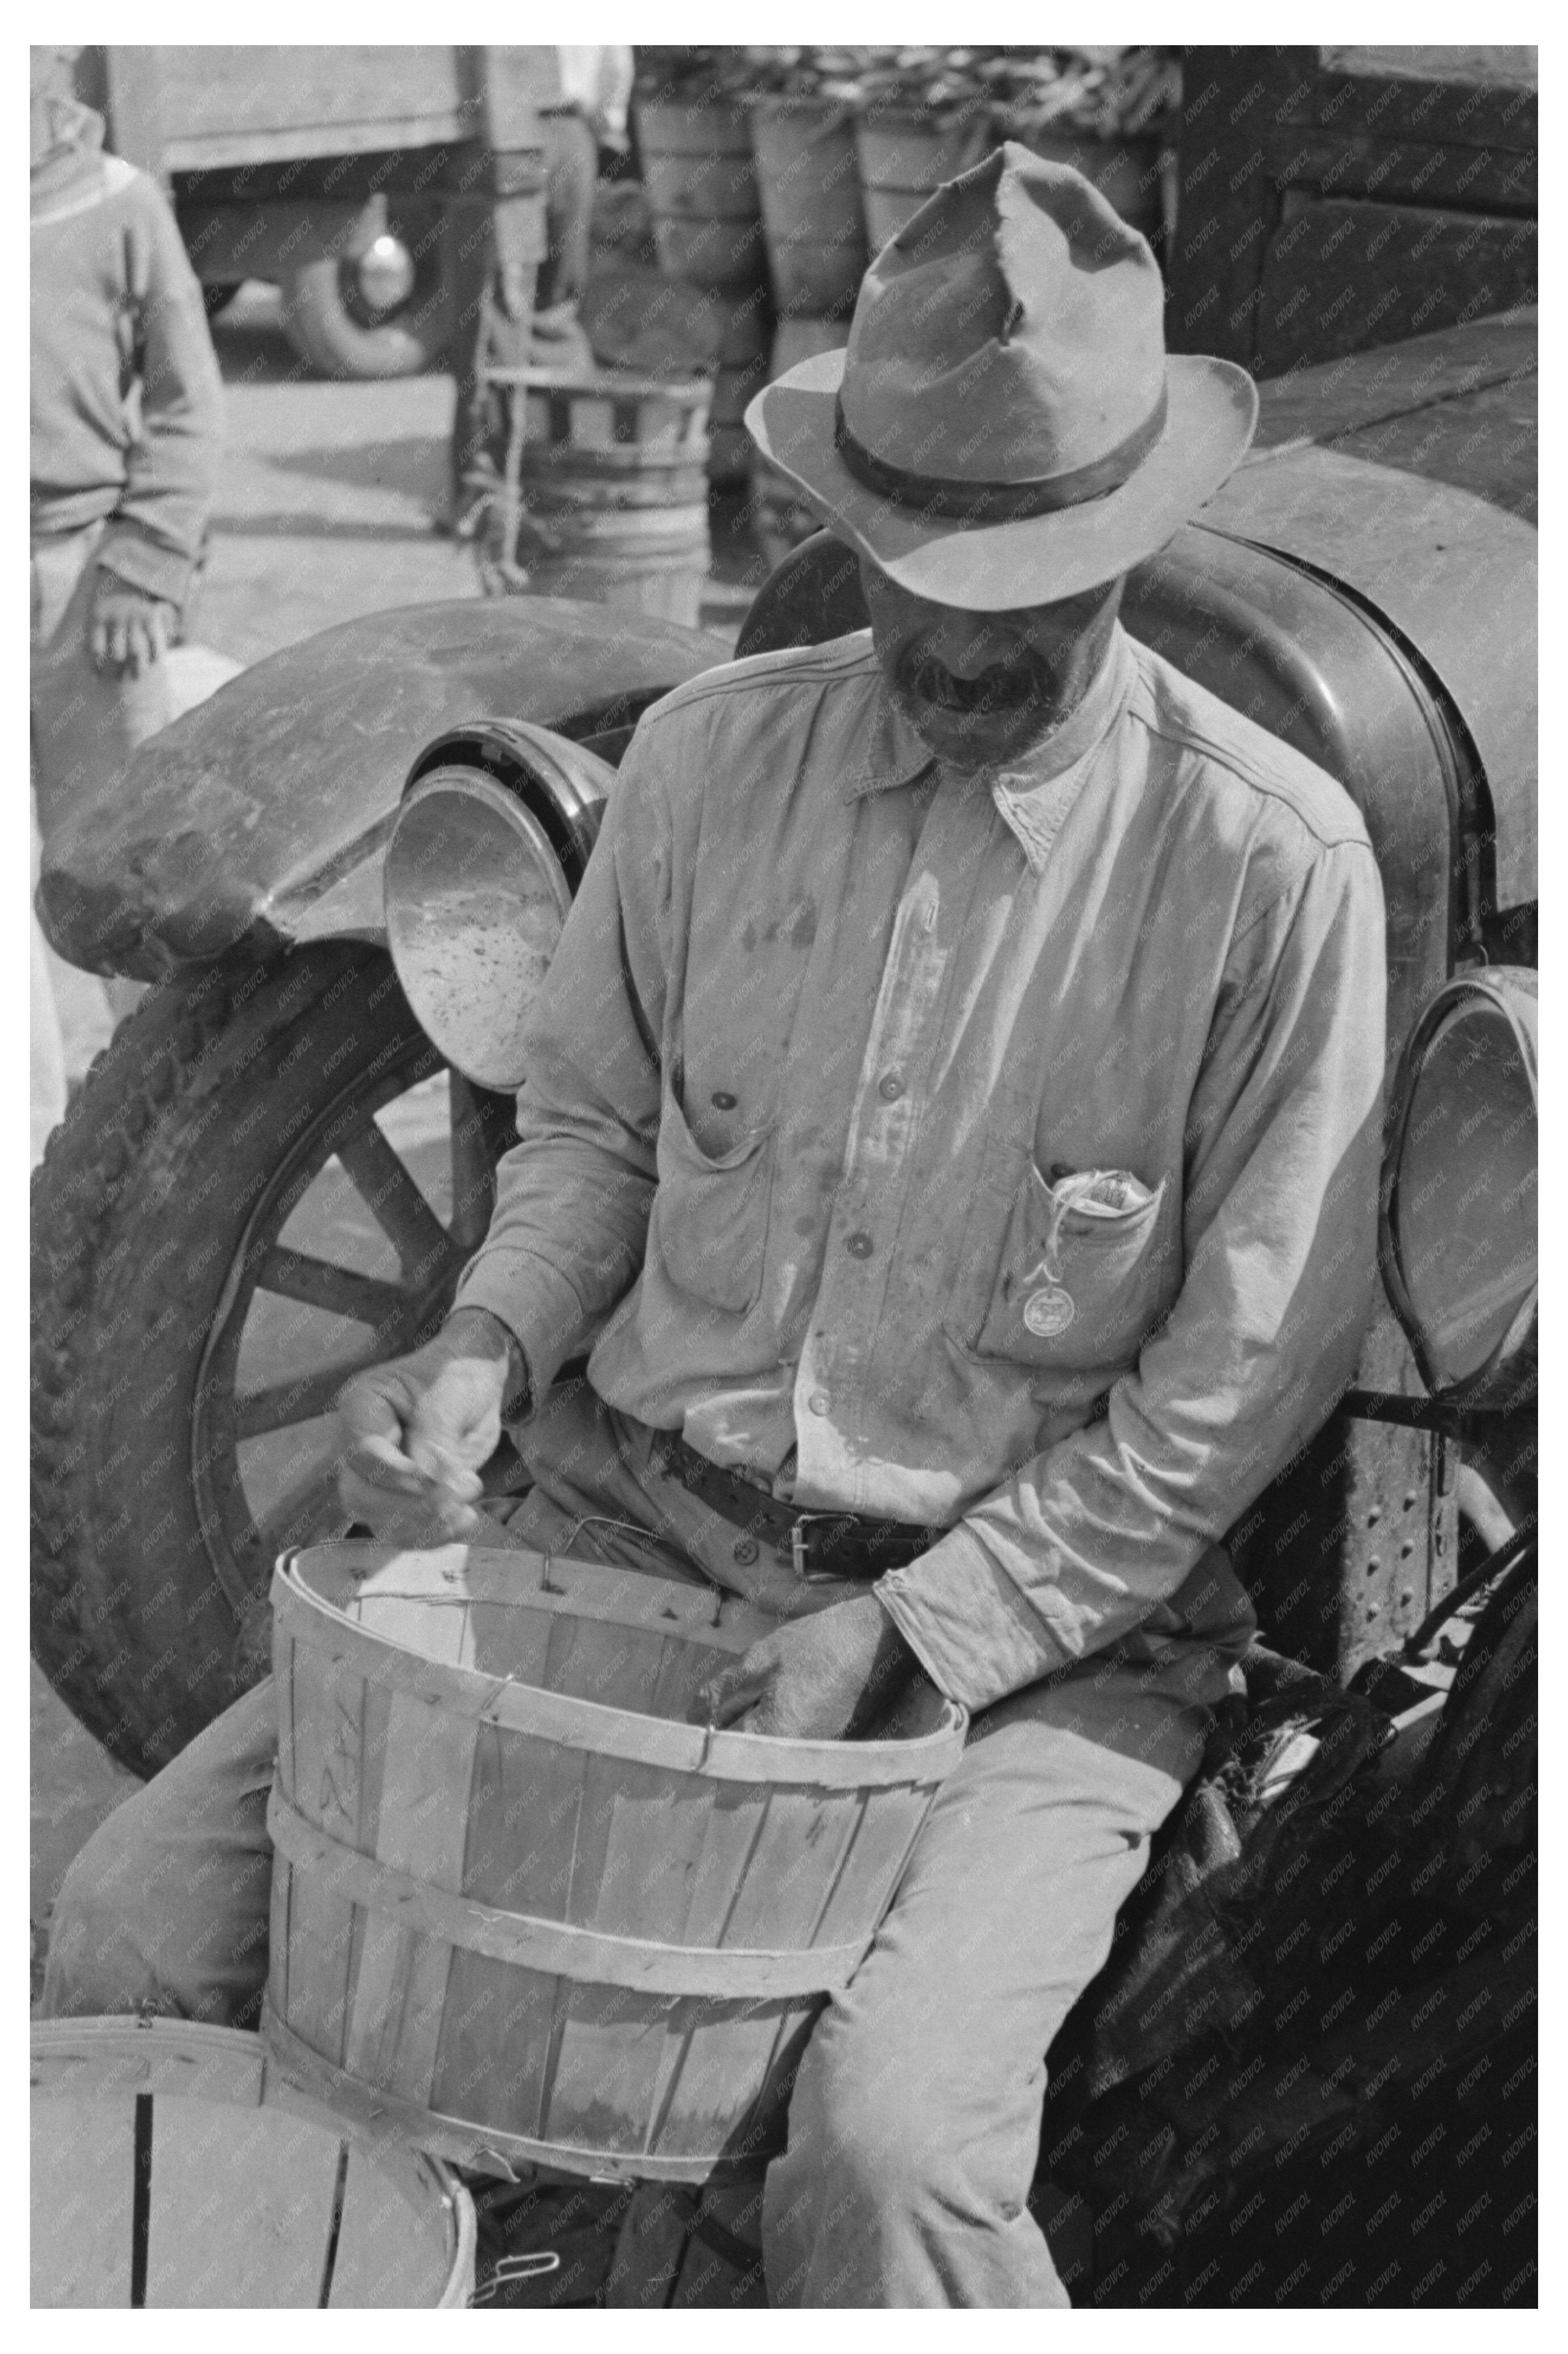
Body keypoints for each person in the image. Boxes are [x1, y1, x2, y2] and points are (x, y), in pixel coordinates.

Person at [44, 150, 1387, 2308]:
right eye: (908, 575)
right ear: (841, 530)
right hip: (612, 1528)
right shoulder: (696, 762)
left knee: (878, 2163)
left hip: (1022, 1653)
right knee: (127, 1927)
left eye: (1020, 585)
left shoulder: (1267, 870)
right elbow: (581, 1136)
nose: (951, 643)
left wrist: (913, 1627)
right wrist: (480, 1343)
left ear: (1131, 544)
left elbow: (1225, 1395)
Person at [29, 45, 223, 1144]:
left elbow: (188, 403)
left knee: (120, 869)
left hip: (80, 586)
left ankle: (160, 1134)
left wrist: (145, 558)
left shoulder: (119, 208)